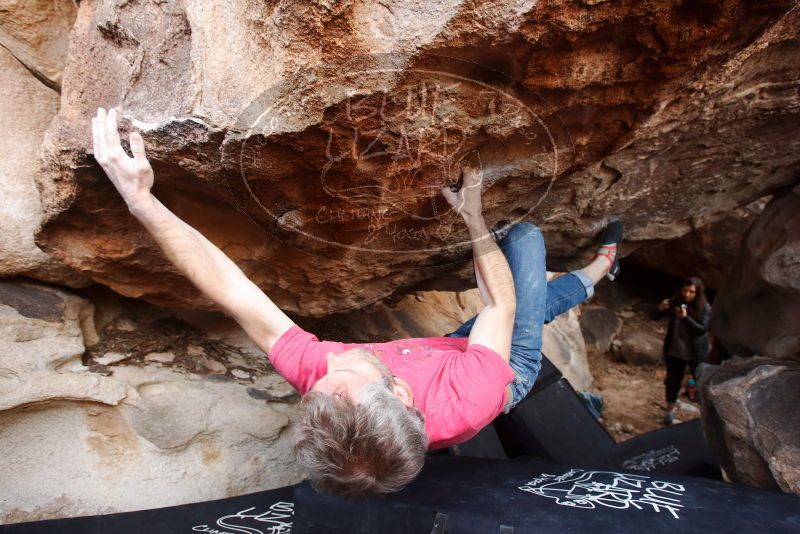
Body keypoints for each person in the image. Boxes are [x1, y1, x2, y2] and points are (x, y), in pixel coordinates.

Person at [91, 107, 622, 497]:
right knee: (526, 241)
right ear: (399, 394)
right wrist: (473, 216)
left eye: (320, 381)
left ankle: (591, 274)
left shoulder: (330, 390)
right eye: (341, 372)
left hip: (441, 353)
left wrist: (141, 200)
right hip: (506, 369)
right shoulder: (474, 394)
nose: (332, 357)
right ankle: (601, 268)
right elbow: (496, 306)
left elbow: (232, 290)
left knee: (530, 298)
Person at [653, 277, 711, 425]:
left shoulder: (704, 308)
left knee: (702, 383)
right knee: (672, 382)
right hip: (675, 351)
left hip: (696, 353)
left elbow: (702, 330)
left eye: (692, 292)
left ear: (697, 293)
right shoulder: (676, 303)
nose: (687, 294)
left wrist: (685, 318)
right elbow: (653, 316)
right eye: (685, 290)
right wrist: (660, 308)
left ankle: (707, 418)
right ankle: (669, 414)